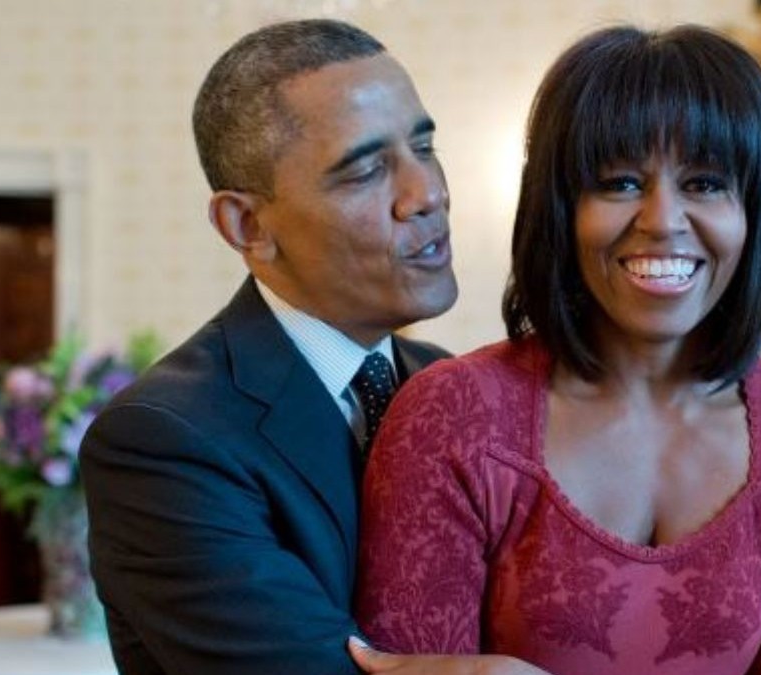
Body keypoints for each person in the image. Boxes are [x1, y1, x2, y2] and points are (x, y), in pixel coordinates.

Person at [355, 24, 761, 675]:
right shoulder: (451, 419)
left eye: (705, 183)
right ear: (560, 207)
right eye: (620, 183)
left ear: (755, 211)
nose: (662, 220)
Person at [81, 19, 546, 675]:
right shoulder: (163, 438)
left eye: (424, 145)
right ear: (248, 225)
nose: (428, 193)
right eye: (367, 170)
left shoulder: (449, 385)